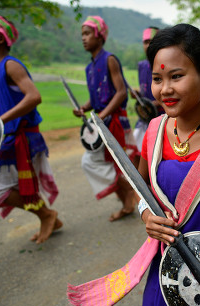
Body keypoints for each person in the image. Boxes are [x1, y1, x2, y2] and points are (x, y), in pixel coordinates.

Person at [67, 23, 200, 306]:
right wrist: (147, 216)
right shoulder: (154, 130)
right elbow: (141, 189)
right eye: (157, 78)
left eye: (176, 76)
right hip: (165, 268)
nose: (164, 89)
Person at [0, 14, 61, 244]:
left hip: (24, 138)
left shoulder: (10, 65)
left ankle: (47, 215)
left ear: (0, 38)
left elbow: (34, 96)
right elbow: (7, 114)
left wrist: (0, 120)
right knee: (13, 186)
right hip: (13, 138)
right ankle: (51, 218)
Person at [74, 16, 139, 221]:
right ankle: (128, 196)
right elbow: (97, 98)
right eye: (82, 34)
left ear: (100, 36)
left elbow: (120, 93)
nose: (83, 38)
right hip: (101, 123)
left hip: (115, 122)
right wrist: (84, 108)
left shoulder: (110, 59)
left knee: (112, 163)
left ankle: (130, 196)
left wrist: (102, 115)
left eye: (87, 33)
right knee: (96, 162)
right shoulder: (89, 68)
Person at [132, 26, 163, 152]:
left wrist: (153, 104)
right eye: (145, 42)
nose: (148, 45)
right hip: (145, 117)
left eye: (151, 41)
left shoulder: (164, 64)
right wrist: (138, 94)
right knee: (138, 151)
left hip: (163, 116)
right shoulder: (142, 66)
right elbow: (144, 89)